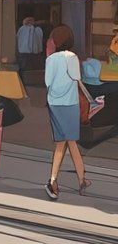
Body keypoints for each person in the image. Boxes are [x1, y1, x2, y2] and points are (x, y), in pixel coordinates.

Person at [44, 25, 89, 199]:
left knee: (63, 142)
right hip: (71, 103)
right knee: (70, 142)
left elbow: (48, 81)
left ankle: (55, 180)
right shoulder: (72, 57)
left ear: (55, 41)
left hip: (55, 104)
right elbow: (76, 77)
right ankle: (80, 179)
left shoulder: (51, 60)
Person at [17, 16, 44, 85]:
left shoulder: (36, 30)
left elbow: (38, 40)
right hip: (25, 52)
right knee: (24, 67)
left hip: (31, 53)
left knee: (32, 68)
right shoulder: (23, 29)